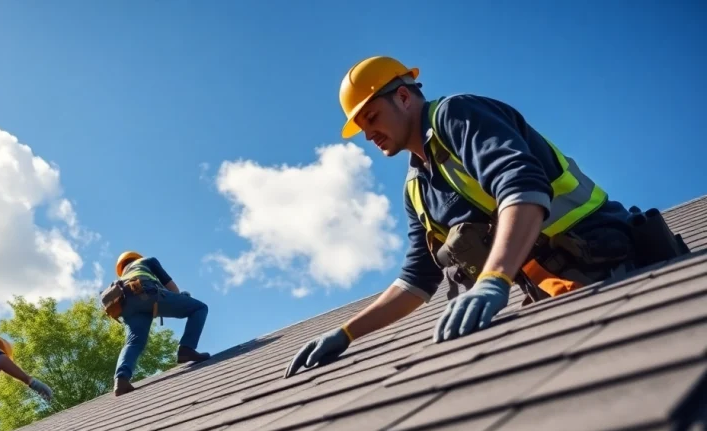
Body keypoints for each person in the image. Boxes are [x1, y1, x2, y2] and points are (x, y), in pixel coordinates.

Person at [285, 55, 685, 378]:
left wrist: (493, 282)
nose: (368, 134)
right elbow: (416, 281)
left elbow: (522, 187)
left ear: (404, 97)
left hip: (615, 271)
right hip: (561, 295)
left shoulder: (457, 116)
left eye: (371, 117)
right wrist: (347, 332)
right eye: (360, 126)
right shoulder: (416, 189)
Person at [112, 251, 210, 396]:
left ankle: (121, 380)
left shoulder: (124, 277)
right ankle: (186, 349)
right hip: (146, 292)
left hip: (125, 303)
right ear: (137, 257)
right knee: (199, 308)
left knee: (133, 342)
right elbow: (173, 290)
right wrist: (182, 297)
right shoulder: (147, 261)